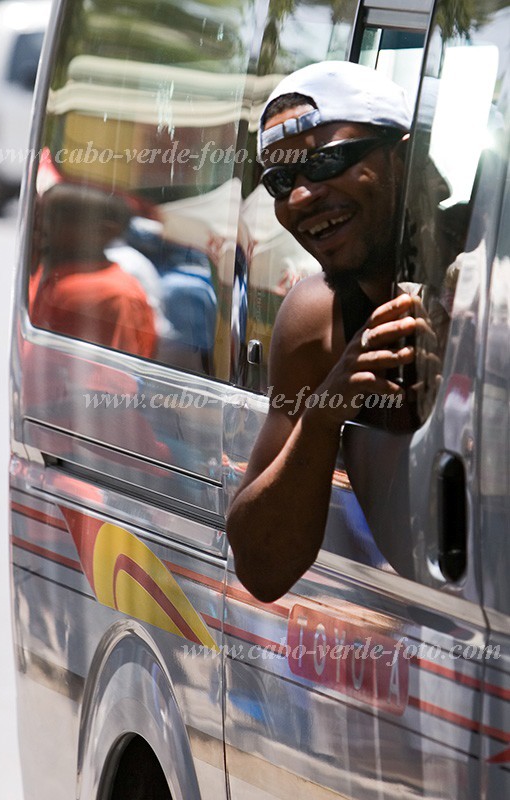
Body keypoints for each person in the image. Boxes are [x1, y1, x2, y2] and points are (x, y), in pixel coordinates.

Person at [226, 61, 420, 602]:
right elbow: (261, 569)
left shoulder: (483, 286)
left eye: (327, 162)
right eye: (281, 181)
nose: (301, 198)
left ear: (403, 158)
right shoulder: (318, 321)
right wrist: (323, 416)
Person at [29, 183, 157, 359]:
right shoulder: (53, 272)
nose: (40, 227)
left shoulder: (110, 295)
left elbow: (108, 380)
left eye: (55, 219)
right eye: (38, 217)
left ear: (104, 231)